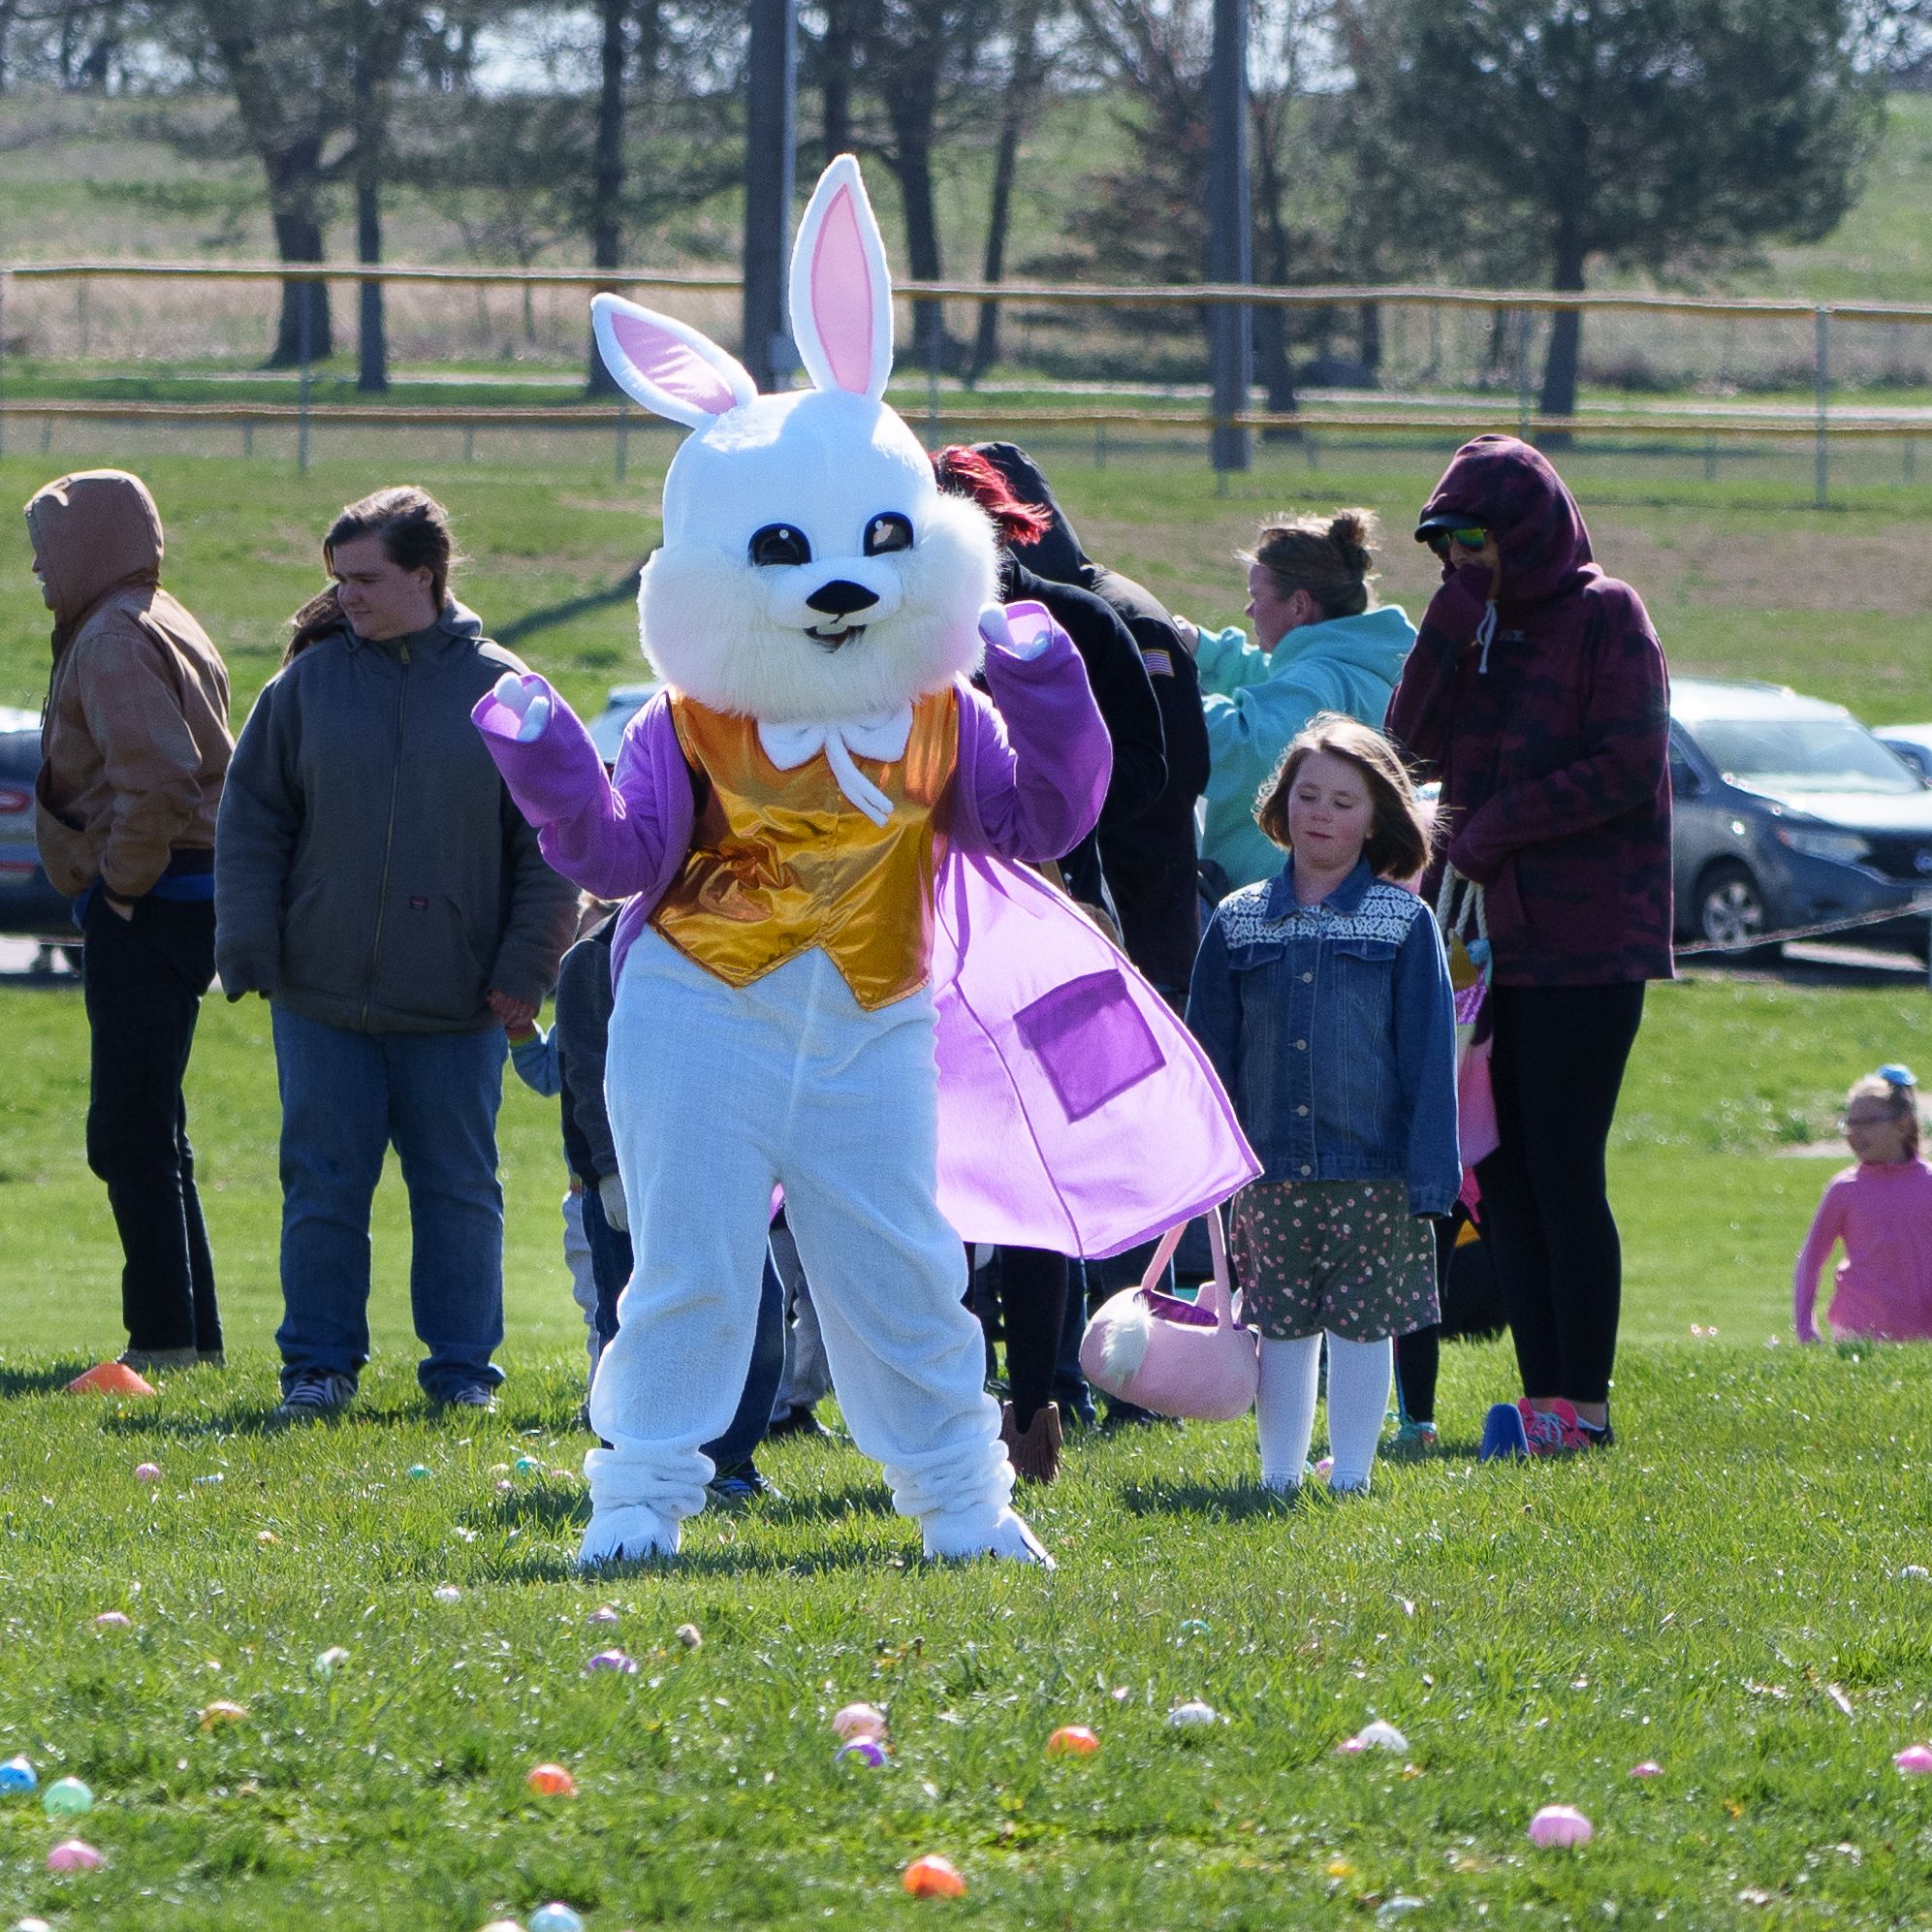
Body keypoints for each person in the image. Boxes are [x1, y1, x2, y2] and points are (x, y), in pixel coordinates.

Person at [215, 486, 577, 1420]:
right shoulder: (302, 687)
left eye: (366, 579)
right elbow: (250, 819)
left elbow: (550, 846)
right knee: (322, 1188)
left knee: (459, 1193)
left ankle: (462, 1376)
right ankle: (317, 1368)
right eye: (337, 581)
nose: (346, 598)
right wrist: (249, 943)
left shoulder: (503, 691)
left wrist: (525, 972)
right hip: (319, 997)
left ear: (425, 575)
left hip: (458, 1005)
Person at [1386, 433, 1672, 1457]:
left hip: (1587, 945)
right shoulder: (1473, 629)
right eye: (1444, 544)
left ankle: (1580, 1404)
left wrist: (1494, 826)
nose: (1464, 558)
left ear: (1527, 530)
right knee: (1497, 1171)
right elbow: (1401, 753)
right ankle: (1539, 1396)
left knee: (1561, 1164)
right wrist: (1445, 630)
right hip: (1481, 952)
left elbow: (1628, 764)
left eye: (1477, 540)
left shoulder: (1606, 615)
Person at [932, 444, 1169, 1483]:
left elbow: (1152, 775)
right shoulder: (893, 634)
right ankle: (959, 1400)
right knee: (927, 1170)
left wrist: (1048, 839)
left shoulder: (1079, 619)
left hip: (1062, 918)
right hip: (920, 931)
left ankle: (1038, 1401)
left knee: (1044, 1168)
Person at [1188, 714, 1458, 1495]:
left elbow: (1426, 1056)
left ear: (1376, 818)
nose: (1321, 814)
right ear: (1280, 804)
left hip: (1375, 1171)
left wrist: (1428, 1176)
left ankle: (1353, 1480)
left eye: (1344, 802)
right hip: (1267, 1170)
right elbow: (1209, 1057)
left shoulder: (1404, 923)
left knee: (1360, 1327)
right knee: (1280, 1327)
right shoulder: (1237, 920)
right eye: (1308, 795)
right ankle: (1278, 1477)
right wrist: (1203, 1162)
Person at [28, 468, 233, 1373]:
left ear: (91, 546)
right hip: (173, 902)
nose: (38, 569)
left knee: (127, 1131)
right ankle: (193, 1337)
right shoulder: (154, 610)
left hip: (150, 906)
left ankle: (164, 1340)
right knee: (154, 1124)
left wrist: (117, 887)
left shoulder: (112, 636)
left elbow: (159, 777)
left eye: (47, 549)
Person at [554, 904, 786, 1499]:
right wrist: (607, 1172)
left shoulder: (719, 937)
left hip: (722, 1174)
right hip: (633, 1182)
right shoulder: (595, 958)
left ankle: (730, 1459)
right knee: (631, 1320)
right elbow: (588, 1069)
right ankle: (638, 1458)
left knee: (757, 1309)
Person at [1193, 512, 1417, 893]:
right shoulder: (1357, 662)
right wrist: (1198, 646)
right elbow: (1272, 677)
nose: (1249, 611)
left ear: (1298, 605)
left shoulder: (1316, 680)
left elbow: (1244, 746)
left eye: (1255, 597)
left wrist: (1163, 693)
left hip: (1279, 907)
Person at [1794, 1066, 1932, 1345]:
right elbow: (1811, 1259)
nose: (1854, 1134)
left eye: (1866, 1123)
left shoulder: (1928, 1184)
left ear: (1902, 1125)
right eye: (1850, 1124)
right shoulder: (1844, 1189)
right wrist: (1805, 1327)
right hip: (1856, 1331)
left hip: (1922, 1332)